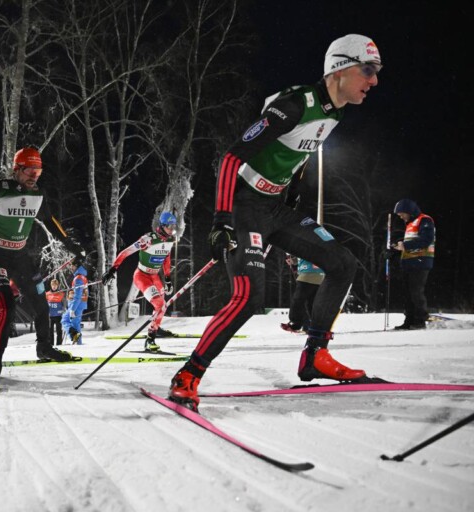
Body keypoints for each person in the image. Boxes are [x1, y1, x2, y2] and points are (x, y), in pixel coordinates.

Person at [169, 34, 382, 411]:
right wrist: (221, 221)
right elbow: (233, 158)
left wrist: (294, 191)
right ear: (340, 69)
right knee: (251, 297)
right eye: (368, 70)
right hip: (244, 206)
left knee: (342, 263)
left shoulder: (336, 112)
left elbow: (298, 155)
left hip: (276, 208)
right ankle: (189, 373)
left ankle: (315, 354)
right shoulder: (296, 104)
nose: (374, 80)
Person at [0, 146, 85, 388]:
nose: (34, 175)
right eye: (29, 170)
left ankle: (44, 347)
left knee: (41, 301)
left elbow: (51, 221)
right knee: (6, 307)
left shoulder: (39, 194)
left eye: (38, 170)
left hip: (21, 256)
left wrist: (72, 246)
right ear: (17, 170)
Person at [102, 211, 178, 352]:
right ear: (162, 226)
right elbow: (126, 252)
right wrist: (113, 269)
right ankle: (150, 340)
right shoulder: (148, 239)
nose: (172, 230)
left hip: (155, 277)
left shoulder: (169, 241)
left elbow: (166, 258)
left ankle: (156, 327)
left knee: (162, 306)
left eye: (174, 226)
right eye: (170, 226)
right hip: (142, 276)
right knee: (159, 304)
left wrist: (167, 278)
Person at [391, 199, 435, 330]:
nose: (400, 216)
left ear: (409, 211)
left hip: (420, 262)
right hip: (409, 262)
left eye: (401, 213)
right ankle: (409, 320)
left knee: (416, 292)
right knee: (408, 293)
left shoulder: (425, 220)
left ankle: (420, 320)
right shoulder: (410, 224)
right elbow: (412, 241)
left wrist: (404, 245)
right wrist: (395, 248)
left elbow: (426, 240)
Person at [281, 256, 325, 333]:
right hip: (317, 275)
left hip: (308, 274)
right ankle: (317, 326)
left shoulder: (308, 245)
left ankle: (296, 323)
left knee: (298, 300)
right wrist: (294, 260)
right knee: (311, 303)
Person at [62, 259, 88, 344]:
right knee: (69, 322)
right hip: (78, 304)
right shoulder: (81, 276)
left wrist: (73, 309)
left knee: (71, 322)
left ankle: (78, 342)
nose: (71, 268)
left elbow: (78, 295)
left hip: (77, 305)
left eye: (72, 266)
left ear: (76, 266)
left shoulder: (78, 278)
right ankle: (76, 340)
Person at [45, 278, 65, 345]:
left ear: (58, 285)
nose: (54, 286)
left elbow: (64, 304)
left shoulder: (61, 294)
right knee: (50, 331)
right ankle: (51, 344)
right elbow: (44, 304)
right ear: (51, 285)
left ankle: (59, 344)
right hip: (50, 316)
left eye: (55, 285)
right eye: (53, 285)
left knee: (59, 331)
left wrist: (64, 310)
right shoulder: (47, 294)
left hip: (58, 316)